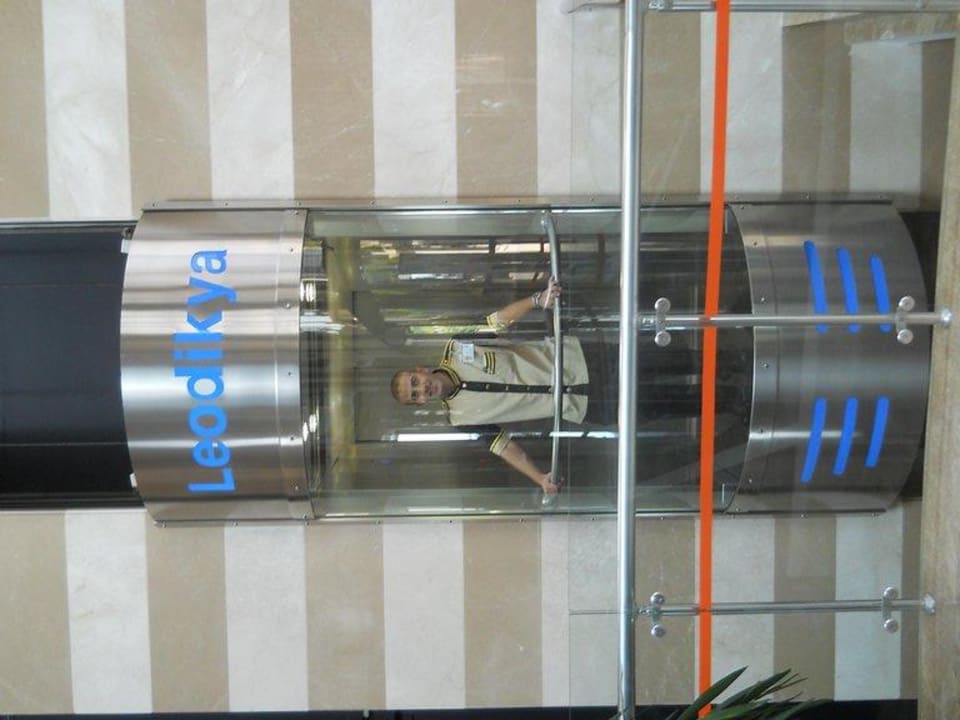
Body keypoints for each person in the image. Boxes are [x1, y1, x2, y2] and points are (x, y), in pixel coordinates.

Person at [391, 279, 725, 495]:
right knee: (663, 405)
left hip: (582, 361)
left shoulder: (456, 346)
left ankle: (730, 361)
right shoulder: (460, 419)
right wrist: (538, 478)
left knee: (666, 361)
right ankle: (729, 399)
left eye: (415, 382)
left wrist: (537, 300)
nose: (422, 389)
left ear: (420, 370)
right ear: (419, 404)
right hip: (582, 406)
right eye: (415, 395)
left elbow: (497, 322)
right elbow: (504, 446)